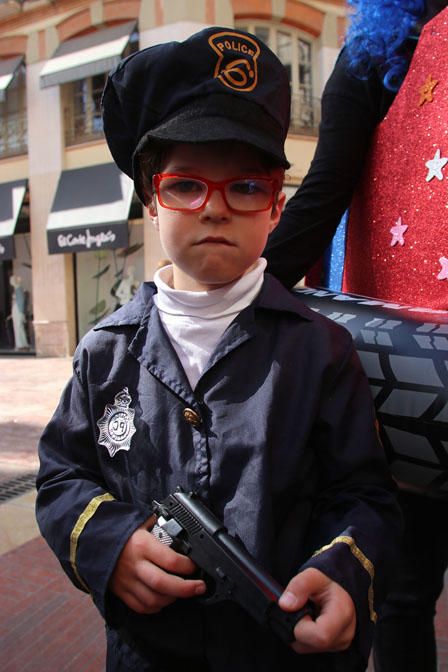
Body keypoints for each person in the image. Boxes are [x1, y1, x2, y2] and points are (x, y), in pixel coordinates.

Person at [35, 27, 401, 672]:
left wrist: (343, 569)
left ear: (275, 206)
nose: (215, 209)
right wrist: (107, 543)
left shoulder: (322, 352)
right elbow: (64, 474)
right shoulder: (104, 352)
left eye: (246, 187)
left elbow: (364, 493)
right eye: (185, 185)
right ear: (152, 199)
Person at [263, 2, 448, 670]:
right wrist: (234, 291)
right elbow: (322, 196)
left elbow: (323, 195)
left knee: (403, 593)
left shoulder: (376, 45)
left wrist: (233, 293)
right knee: (402, 593)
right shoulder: (381, 44)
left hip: (409, 381)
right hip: (409, 378)